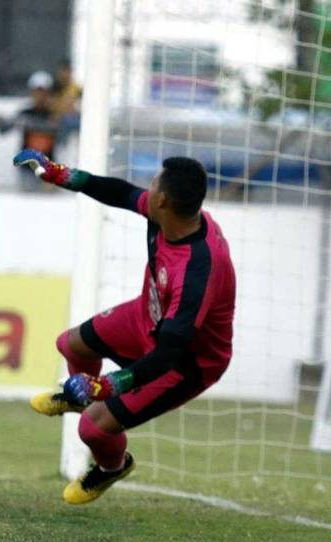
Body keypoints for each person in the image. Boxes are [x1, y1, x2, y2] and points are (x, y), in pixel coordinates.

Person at [13, 149, 236, 505]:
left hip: (186, 362)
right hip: (145, 316)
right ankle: (80, 397)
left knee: (93, 430)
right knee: (71, 345)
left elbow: (168, 353)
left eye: (153, 184)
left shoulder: (198, 272)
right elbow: (119, 192)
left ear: (164, 200)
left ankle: (112, 466)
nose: (146, 189)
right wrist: (61, 174)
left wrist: (106, 386)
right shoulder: (171, 214)